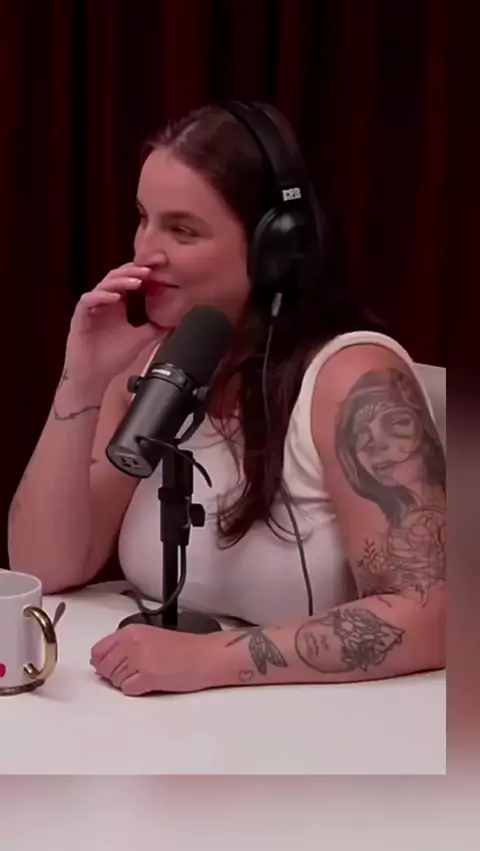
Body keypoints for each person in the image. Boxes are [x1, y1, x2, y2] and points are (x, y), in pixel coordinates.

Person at [8, 101, 446, 696]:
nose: (145, 252)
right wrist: (81, 378)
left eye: (182, 230)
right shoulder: (153, 366)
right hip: (181, 726)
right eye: (143, 219)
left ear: (275, 249)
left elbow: (431, 613)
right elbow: (46, 565)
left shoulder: (354, 378)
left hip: (327, 727)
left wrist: (204, 661)